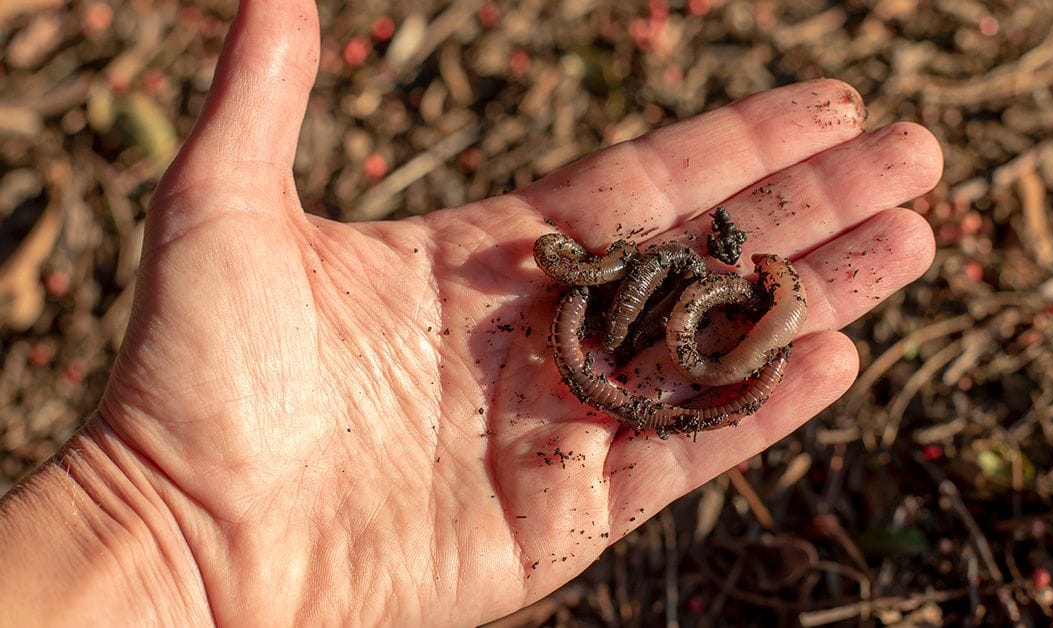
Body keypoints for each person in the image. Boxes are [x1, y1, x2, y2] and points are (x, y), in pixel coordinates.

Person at [0, 1, 942, 624]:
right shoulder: (603, 294)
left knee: (716, 361)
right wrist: (168, 520)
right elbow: (591, 288)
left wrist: (168, 536)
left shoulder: (677, 299)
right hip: (631, 329)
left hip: (660, 334)